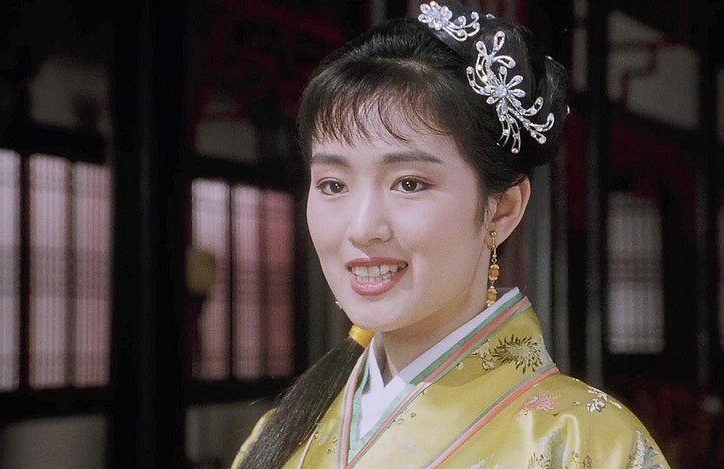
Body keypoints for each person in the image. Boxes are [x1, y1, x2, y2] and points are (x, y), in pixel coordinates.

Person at [231, 1, 671, 467]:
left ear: (502, 209)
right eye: (333, 185)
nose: (362, 229)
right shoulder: (281, 434)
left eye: (409, 184)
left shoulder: (586, 443)